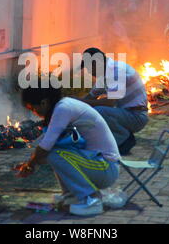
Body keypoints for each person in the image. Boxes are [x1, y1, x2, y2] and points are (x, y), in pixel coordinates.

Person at [16, 79, 120, 216]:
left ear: (44, 102)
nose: (34, 113)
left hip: (106, 168)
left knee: (53, 155)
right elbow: (45, 149)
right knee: (53, 154)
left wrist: (30, 165)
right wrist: (33, 162)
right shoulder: (63, 106)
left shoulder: (63, 108)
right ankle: (71, 196)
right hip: (99, 164)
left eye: (33, 109)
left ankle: (91, 199)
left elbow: (45, 147)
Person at [79, 47, 148, 154]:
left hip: (136, 116)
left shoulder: (116, 70)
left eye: (88, 67)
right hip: (127, 113)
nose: (88, 71)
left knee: (100, 111)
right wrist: (73, 103)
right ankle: (112, 141)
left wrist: (85, 103)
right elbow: (90, 96)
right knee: (91, 111)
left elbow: (110, 102)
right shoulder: (105, 74)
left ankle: (124, 140)